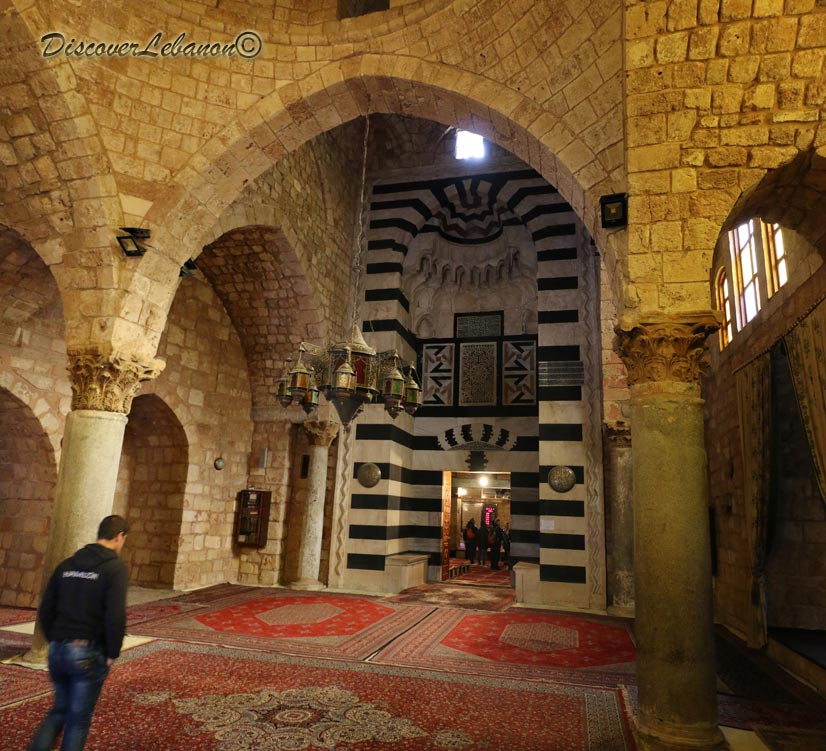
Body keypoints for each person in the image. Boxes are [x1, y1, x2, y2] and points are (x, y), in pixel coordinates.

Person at [28, 515, 130, 751]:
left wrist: (56, 638)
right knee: (78, 720)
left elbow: (46, 608)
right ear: (119, 537)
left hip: (57, 651)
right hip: (87, 651)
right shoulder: (115, 568)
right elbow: (115, 614)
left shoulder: (67, 565)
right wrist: (112, 651)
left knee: (59, 710)